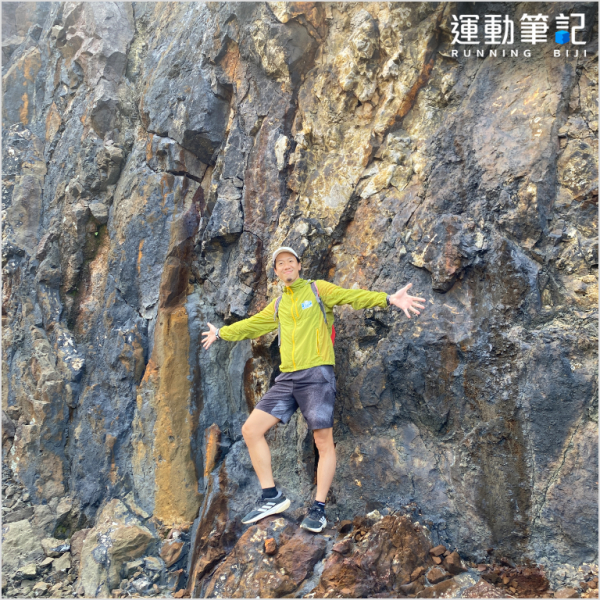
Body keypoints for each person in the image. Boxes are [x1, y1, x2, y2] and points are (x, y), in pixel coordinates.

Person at [202, 246, 426, 532]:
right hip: (287, 378)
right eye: (280, 263)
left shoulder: (318, 290)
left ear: (299, 265)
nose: (286, 266)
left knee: (323, 441)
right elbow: (252, 325)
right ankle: (271, 496)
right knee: (251, 429)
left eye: (290, 261)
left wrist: (388, 299)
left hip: (317, 374)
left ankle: (318, 509)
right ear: (276, 272)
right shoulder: (278, 305)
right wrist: (221, 333)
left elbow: (352, 296)